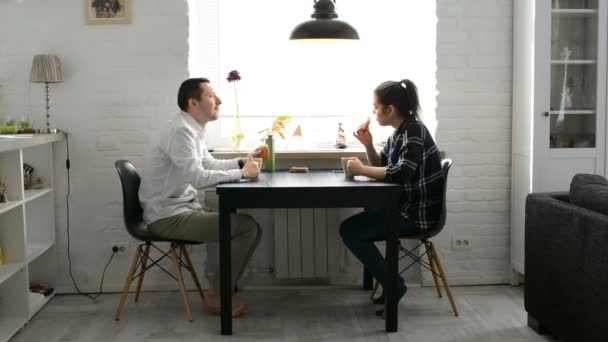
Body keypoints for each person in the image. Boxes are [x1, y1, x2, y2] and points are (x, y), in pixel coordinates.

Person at [139, 78, 263, 318]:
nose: (219, 101)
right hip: (167, 217)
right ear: (193, 102)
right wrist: (241, 173)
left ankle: (217, 289)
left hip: (182, 208)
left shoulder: (191, 128)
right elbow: (197, 177)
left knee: (239, 223)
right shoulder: (181, 132)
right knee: (246, 227)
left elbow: (207, 163)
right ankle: (216, 295)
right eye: (211, 96)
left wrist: (242, 161)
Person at [340, 79, 443, 315]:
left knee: (350, 231)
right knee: (360, 222)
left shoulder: (414, 131)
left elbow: (401, 173)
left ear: (390, 109)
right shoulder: (400, 132)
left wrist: (362, 170)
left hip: (417, 214)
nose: (373, 111)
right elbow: (383, 165)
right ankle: (390, 285)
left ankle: (394, 285)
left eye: (376, 107)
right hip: (405, 207)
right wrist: (367, 145)